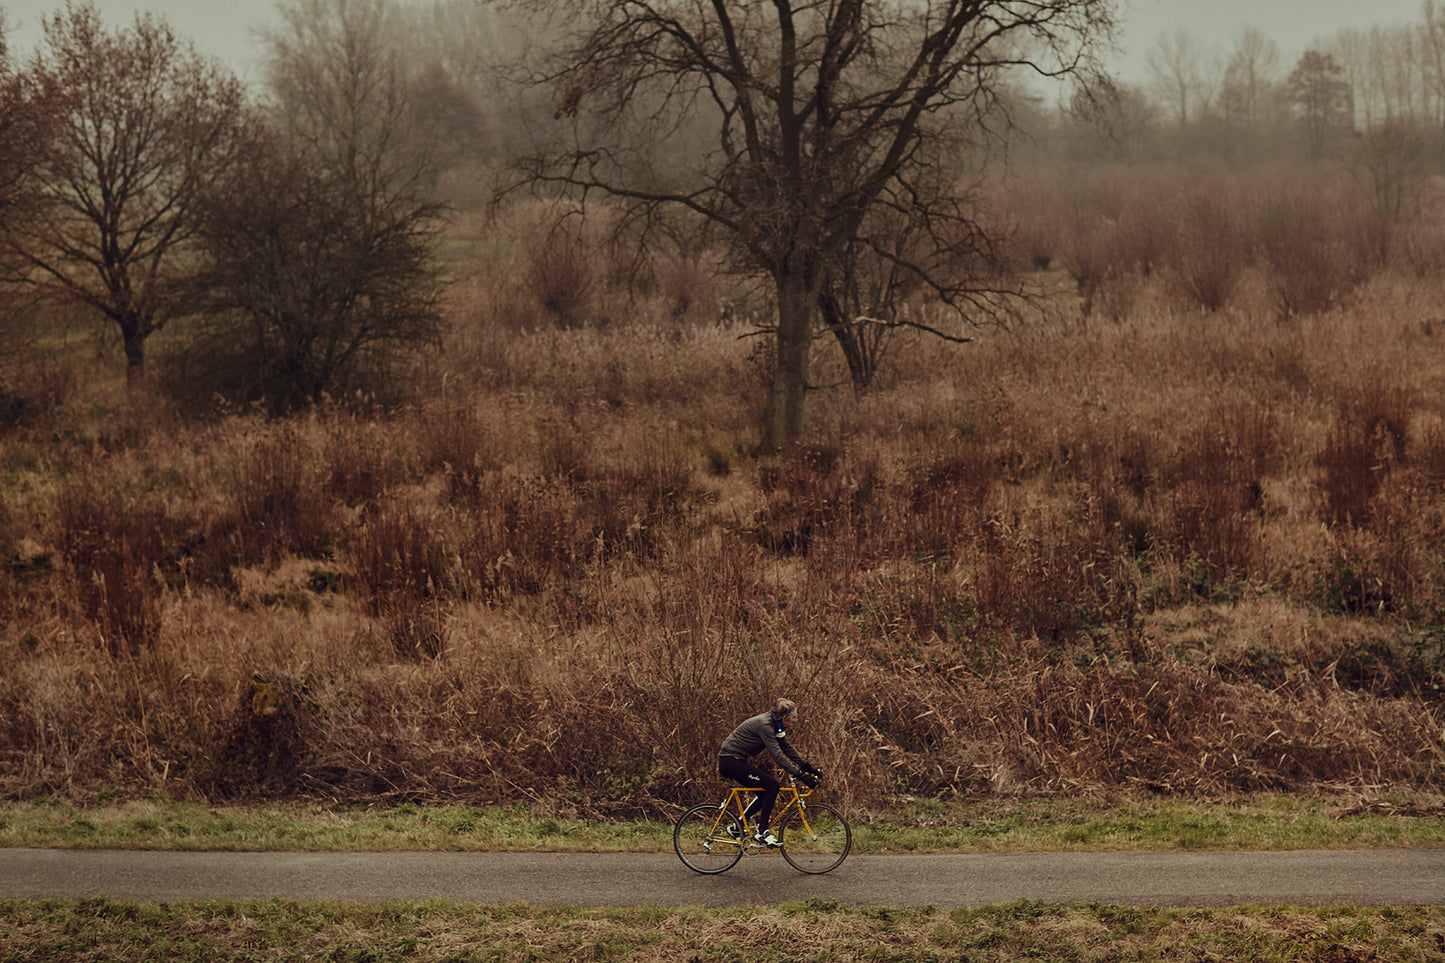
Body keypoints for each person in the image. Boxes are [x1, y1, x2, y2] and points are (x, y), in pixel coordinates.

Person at [718, 698, 822, 847]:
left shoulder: (776, 725)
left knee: (765, 792)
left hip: (736, 760)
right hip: (731, 761)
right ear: (784, 717)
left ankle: (737, 827)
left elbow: (787, 748)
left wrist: (807, 768)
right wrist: (801, 775)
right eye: (794, 717)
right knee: (773, 786)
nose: (796, 720)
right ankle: (762, 831)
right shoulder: (766, 726)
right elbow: (778, 756)